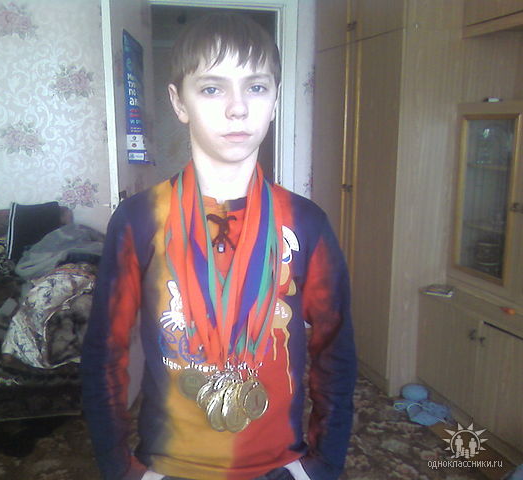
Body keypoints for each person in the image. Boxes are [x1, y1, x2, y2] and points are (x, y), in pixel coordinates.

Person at [82, 12, 357, 480]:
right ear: (179, 102)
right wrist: (119, 467)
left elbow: (336, 348)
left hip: (280, 465)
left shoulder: (305, 222)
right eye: (212, 88)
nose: (238, 108)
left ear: (275, 100)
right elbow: (105, 351)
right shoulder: (139, 219)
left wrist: (323, 464)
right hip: (167, 465)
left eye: (256, 87)